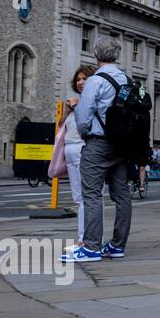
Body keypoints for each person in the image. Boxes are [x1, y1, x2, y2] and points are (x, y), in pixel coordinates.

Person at [62, 37, 133, 262]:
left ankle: (91, 247)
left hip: (98, 143)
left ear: (95, 53)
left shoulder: (95, 80)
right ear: (117, 55)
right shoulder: (127, 79)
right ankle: (117, 245)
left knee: (91, 194)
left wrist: (85, 134)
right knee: (121, 195)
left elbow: (83, 114)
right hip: (122, 144)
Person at [59, 65, 97, 238]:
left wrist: (76, 107)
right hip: (70, 151)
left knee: (88, 198)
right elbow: (62, 127)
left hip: (84, 150)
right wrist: (67, 110)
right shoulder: (75, 102)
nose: (80, 82)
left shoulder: (94, 101)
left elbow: (87, 125)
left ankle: (88, 239)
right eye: (78, 79)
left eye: (84, 78)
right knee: (78, 198)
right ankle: (84, 237)